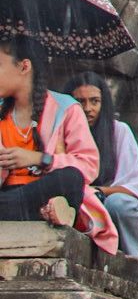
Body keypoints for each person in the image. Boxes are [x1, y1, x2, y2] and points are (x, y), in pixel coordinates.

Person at [0, 37, 111, 243]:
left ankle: (47, 209)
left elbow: (88, 165)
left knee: (70, 179)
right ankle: (42, 212)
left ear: (24, 67)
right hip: (7, 195)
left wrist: (39, 158)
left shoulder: (66, 108)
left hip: (44, 191)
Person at [66, 76, 138, 261]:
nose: (88, 109)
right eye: (80, 102)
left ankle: (134, 257)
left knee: (118, 203)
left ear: (105, 103)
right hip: (84, 207)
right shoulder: (66, 134)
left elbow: (131, 189)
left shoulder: (119, 131)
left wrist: (98, 192)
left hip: (118, 211)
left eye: (95, 101)